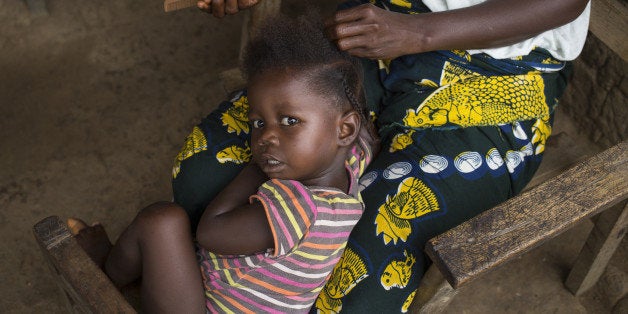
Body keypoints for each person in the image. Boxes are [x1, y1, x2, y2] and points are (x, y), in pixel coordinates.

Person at [176, 0, 592, 312]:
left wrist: (421, 34)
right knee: (202, 174)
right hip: (382, 17)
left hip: (503, 69)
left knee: (362, 276)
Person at [72, 12, 377, 313]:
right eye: (258, 123)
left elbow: (210, 233)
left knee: (162, 221)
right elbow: (365, 138)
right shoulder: (349, 164)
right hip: (220, 294)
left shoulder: (301, 210)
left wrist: (257, 168)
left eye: (289, 120)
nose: (266, 138)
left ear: (344, 129)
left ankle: (104, 274)